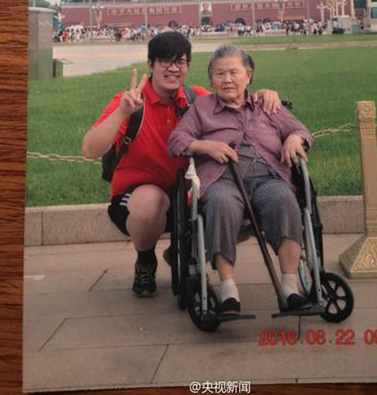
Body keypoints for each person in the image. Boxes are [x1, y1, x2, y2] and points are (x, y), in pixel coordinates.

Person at [82, 32, 282, 299]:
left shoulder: (197, 99)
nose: (173, 68)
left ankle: (184, 250)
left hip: (189, 194)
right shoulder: (131, 101)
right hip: (139, 198)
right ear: (150, 64)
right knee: (150, 202)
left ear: (188, 67)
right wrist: (122, 112)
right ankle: (145, 259)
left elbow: (235, 103)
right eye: (165, 61)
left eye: (181, 62)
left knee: (232, 202)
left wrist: (262, 95)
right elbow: (89, 150)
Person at [168, 45, 314, 315]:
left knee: (284, 198)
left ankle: (290, 287)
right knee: (221, 202)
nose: (227, 80)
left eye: (234, 73)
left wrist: (294, 138)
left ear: (248, 75)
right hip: (222, 178)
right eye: (219, 73)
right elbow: (177, 140)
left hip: (267, 176)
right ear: (211, 79)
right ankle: (228, 291)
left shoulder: (266, 104)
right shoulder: (202, 108)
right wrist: (206, 146)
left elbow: (300, 129)